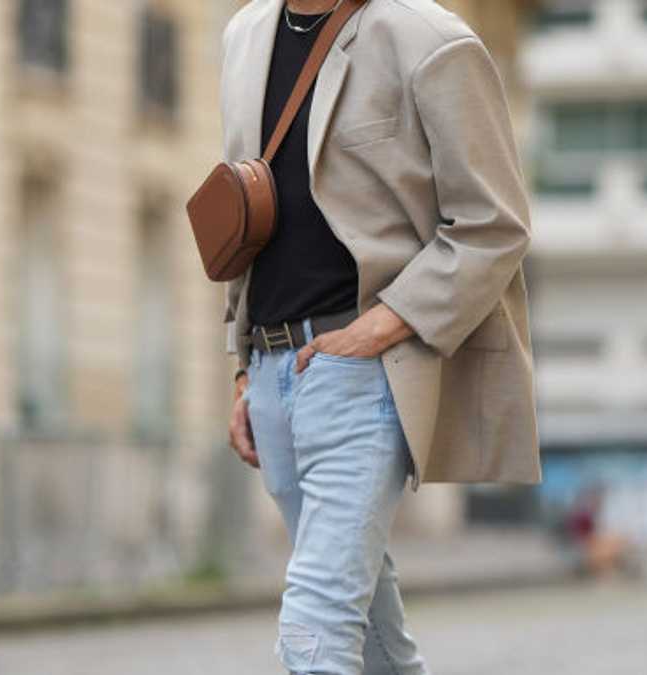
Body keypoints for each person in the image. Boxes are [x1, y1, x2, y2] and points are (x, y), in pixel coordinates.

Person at [219, 1, 540, 672]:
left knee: (314, 627)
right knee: (371, 634)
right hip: (273, 372)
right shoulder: (245, 34)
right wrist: (243, 364)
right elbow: (245, 215)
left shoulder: (429, 38)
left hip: (364, 371)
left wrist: (385, 323)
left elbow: (494, 223)